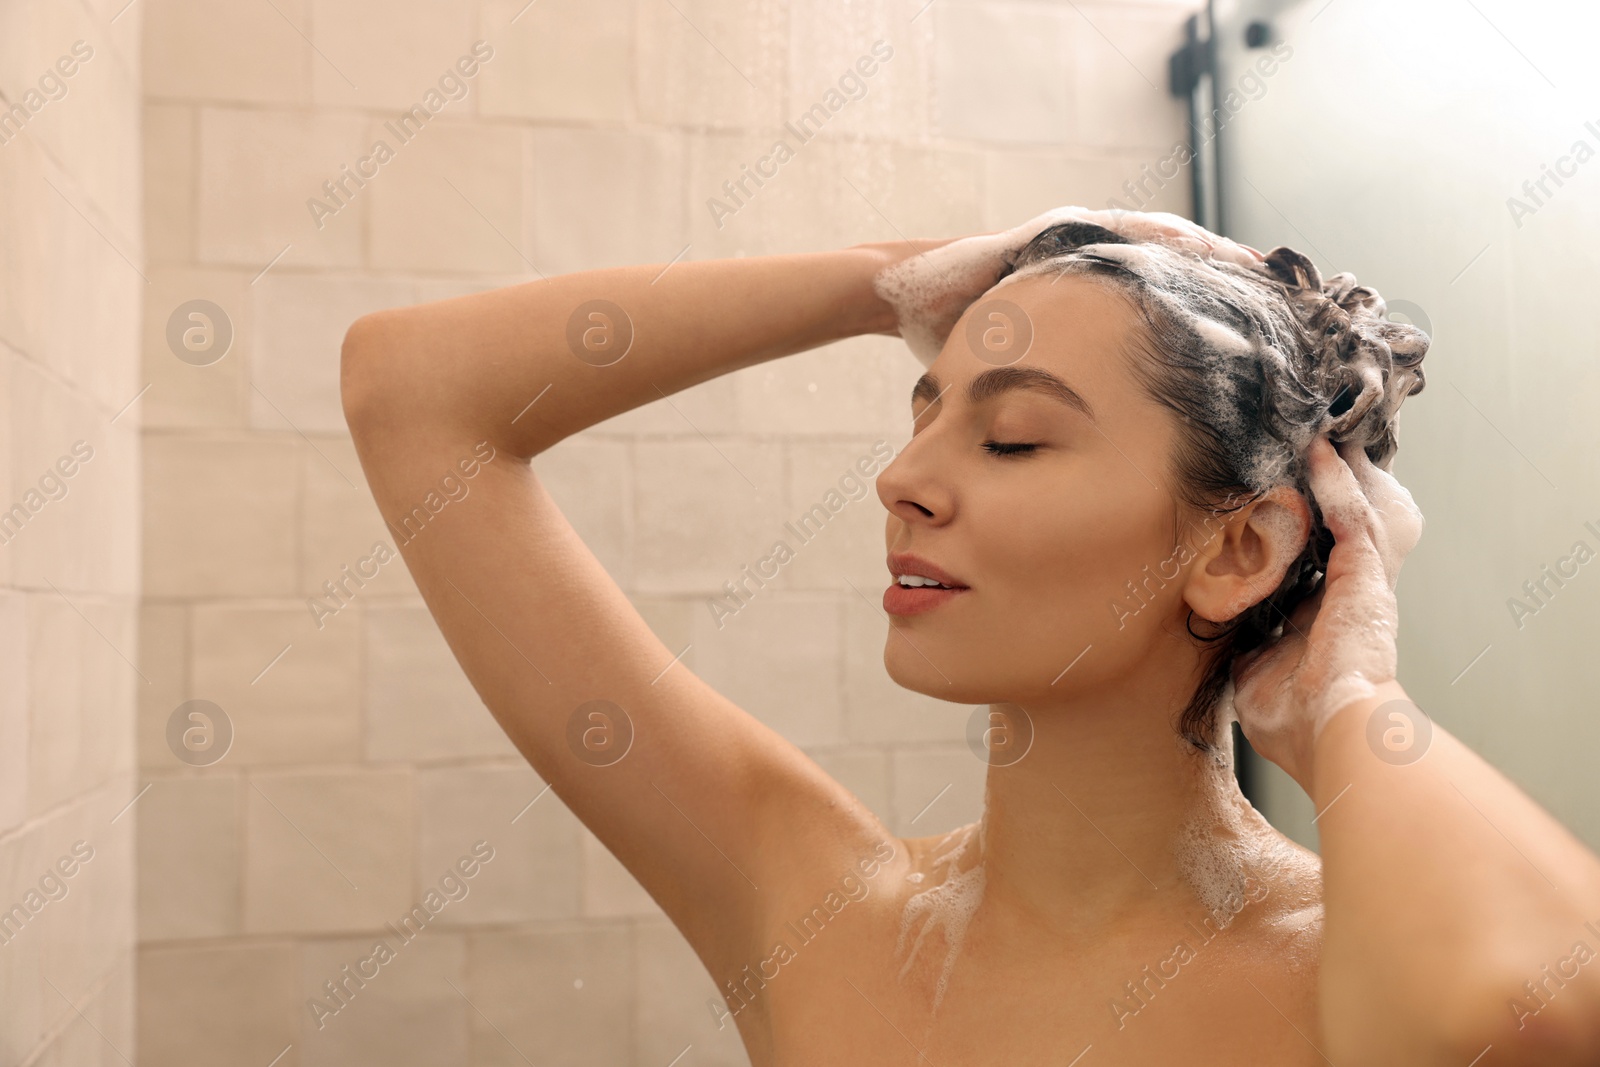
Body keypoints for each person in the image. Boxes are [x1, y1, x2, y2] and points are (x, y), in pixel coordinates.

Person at [339, 208, 1600, 1066]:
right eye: (921, 415)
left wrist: (1344, 696)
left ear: (1235, 549)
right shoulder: (819, 911)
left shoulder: (1348, 972)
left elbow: (1524, 1006)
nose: (901, 478)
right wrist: (892, 278)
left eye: (1010, 438)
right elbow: (412, 389)